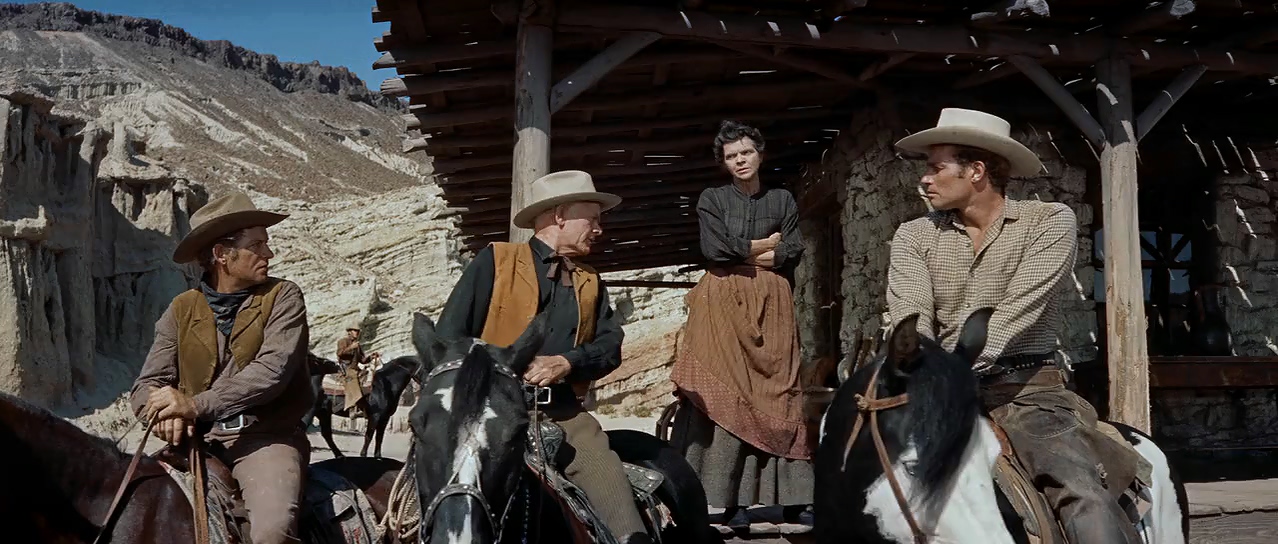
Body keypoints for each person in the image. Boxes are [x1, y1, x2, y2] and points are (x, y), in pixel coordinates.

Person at [887, 107, 1142, 544]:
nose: (924, 180)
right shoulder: (914, 236)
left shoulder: (1049, 223)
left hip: (1027, 394)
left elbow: (1015, 312)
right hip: (934, 392)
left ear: (977, 171)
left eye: (935, 168)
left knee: (1080, 493)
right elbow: (910, 314)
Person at [434, 170, 651, 544]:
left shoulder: (591, 280)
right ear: (560, 215)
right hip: (489, 415)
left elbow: (609, 345)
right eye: (592, 217)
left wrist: (567, 362)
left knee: (619, 506)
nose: (599, 228)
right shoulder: (495, 260)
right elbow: (447, 340)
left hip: (565, 415)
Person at [130, 191, 314, 544]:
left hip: (265, 438)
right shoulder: (181, 308)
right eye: (257, 245)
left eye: (267, 244)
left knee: (272, 532)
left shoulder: (284, 297)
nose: (268, 254)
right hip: (197, 440)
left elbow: (271, 372)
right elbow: (149, 382)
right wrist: (161, 414)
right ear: (221, 255)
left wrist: (195, 405)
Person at [668, 120, 812, 526]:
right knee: (728, 395)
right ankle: (734, 504)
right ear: (724, 163)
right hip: (722, 305)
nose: (739, 161)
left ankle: (797, 499)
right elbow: (714, 249)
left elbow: (794, 250)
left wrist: (748, 252)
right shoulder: (711, 199)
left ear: (760, 154)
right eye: (731, 156)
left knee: (781, 394)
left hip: (774, 306)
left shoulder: (782, 199)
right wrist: (766, 246)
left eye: (745, 152)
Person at [336, 322, 380, 417]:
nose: (357, 333)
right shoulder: (343, 341)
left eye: (358, 331)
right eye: (355, 331)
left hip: (356, 369)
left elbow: (362, 360)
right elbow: (339, 353)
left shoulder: (357, 345)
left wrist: (371, 357)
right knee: (352, 380)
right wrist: (351, 347)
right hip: (347, 370)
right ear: (349, 332)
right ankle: (353, 408)